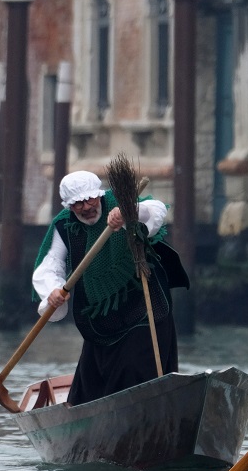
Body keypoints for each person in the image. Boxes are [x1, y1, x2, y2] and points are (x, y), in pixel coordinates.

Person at [33, 171, 188, 406]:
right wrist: (53, 291)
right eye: (77, 204)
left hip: (143, 302)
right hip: (100, 313)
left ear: (98, 195)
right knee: (92, 384)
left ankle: (151, 411)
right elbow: (50, 264)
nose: (86, 207)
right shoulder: (64, 225)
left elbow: (155, 210)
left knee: (135, 367)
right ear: (68, 205)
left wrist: (129, 213)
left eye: (90, 200)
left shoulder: (121, 202)